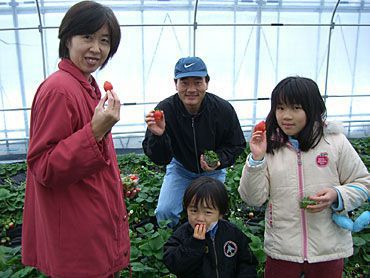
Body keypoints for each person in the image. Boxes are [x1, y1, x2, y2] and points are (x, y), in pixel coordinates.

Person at [21, 1, 130, 277]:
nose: (96, 48)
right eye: (87, 37)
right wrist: (94, 132)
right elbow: (44, 166)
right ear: (68, 38)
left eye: (104, 41)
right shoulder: (60, 90)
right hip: (77, 237)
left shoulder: (87, 85)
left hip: (92, 226)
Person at [238, 76, 370, 278]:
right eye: (280, 108)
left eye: (296, 108)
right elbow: (253, 198)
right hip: (282, 248)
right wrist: (256, 159)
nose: (286, 116)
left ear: (312, 108)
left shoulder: (335, 143)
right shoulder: (270, 146)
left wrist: (337, 195)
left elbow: (364, 183)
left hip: (328, 247)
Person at [142, 56, 246, 227]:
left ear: (207, 83)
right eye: (184, 83)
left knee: (212, 215)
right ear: (175, 83)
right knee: (164, 213)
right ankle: (173, 246)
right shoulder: (164, 110)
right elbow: (160, 158)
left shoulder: (222, 109)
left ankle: (209, 245)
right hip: (180, 168)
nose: (191, 89)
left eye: (197, 82)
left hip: (213, 172)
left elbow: (236, 144)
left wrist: (219, 160)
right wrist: (158, 136)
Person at [163, 176, 257, 277]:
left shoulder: (232, 233)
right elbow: (174, 265)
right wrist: (195, 244)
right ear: (186, 209)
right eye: (194, 211)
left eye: (208, 212)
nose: (200, 218)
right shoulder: (182, 234)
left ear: (220, 213)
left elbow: (246, 263)